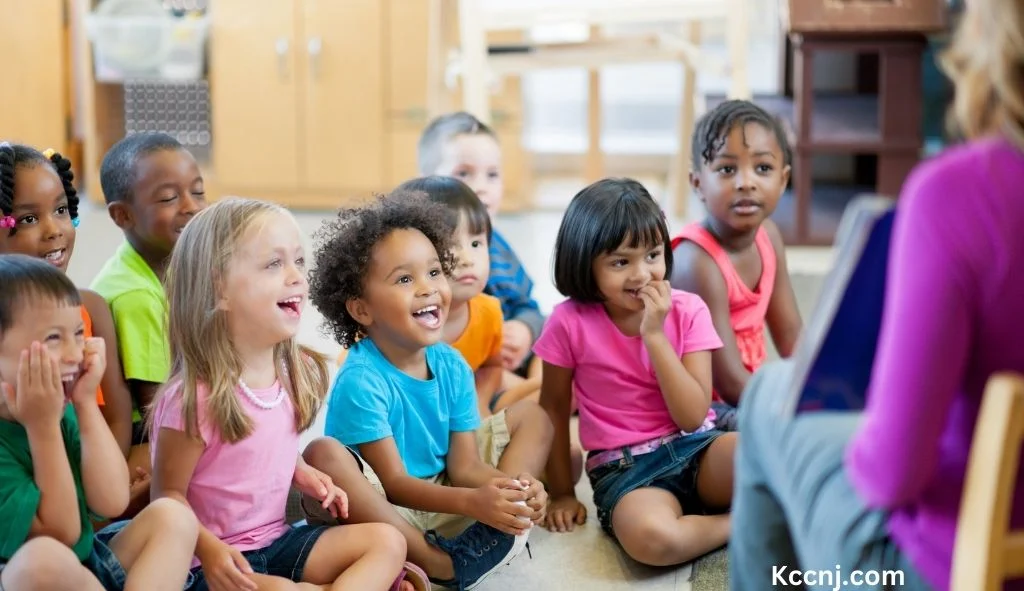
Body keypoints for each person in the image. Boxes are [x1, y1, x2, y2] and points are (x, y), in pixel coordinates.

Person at [729, 1, 1024, 589]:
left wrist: (877, 419)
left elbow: (891, 475)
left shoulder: (960, 195)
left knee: (768, 397)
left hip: (953, 565)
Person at [148, 198, 421, 590]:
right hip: (212, 564)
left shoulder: (293, 373)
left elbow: (263, 443)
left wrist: (301, 472)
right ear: (219, 287)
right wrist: (210, 553)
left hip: (277, 542)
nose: (296, 277)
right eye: (274, 264)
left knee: (388, 541)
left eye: (298, 261)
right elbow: (167, 497)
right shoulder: (193, 398)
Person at [302, 192, 553, 590]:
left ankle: (501, 521)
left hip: (444, 492)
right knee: (323, 454)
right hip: (387, 510)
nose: (428, 288)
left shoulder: (451, 364)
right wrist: (473, 502)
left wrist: (504, 491)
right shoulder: (361, 379)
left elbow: (464, 466)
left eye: (435, 272)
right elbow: (396, 485)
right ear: (362, 310)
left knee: (534, 417)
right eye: (405, 279)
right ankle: (435, 562)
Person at [535, 178, 736, 567]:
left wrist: (655, 336)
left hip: (696, 445)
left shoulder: (689, 309)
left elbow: (693, 416)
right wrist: (562, 492)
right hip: (624, 471)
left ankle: (715, 514)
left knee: (766, 458)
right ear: (584, 263)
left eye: (652, 255)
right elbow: (554, 410)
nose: (642, 274)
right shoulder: (567, 323)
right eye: (620, 262)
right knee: (653, 540)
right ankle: (739, 523)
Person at [0, 254, 198, 591]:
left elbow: (112, 501)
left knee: (173, 516)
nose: (75, 355)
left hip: (88, 566)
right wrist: (43, 429)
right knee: (39, 562)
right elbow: (60, 534)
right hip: (29, 577)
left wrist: (86, 403)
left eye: (78, 333)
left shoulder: (61, 410)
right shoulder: (41, 421)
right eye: (52, 339)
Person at [0, 142, 143, 510]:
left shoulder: (91, 307)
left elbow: (117, 419)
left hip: (93, 473)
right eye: (29, 219)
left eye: (62, 210)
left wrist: (100, 494)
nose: (55, 230)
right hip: (21, 489)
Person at [669, 100, 802, 431]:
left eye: (763, 168)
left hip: (746, 392)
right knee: (783, 432)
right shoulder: (697, 260)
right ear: (698, 183)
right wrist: (790, 405)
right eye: (728, 170)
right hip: (704, 408)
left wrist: (822, 387)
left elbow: (791, 337)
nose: (746, 182)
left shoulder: (768, 236)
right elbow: (727, 381)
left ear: (783, 179)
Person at [90, 132, 208, 489]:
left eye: (198, 191)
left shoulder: (166, 262)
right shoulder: (134, 295)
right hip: (136, 433)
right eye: (170, 198)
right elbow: (159, 407)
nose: (191, 206)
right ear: (123, 215)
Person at [395, 176, 541, 415]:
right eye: (450, 246)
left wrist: (480, 404)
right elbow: (357, 373)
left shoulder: (488, 310)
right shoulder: (395, 318)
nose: (467, 259)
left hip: (467, 405)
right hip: (411, 419)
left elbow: (491, 368)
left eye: (476, 244)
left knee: (539, 417)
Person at [418, 112, 544, 383]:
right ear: (427, 182)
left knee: (563, 338)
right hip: (467, 369)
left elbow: (529, 305)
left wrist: (524, 329)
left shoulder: (499, 245)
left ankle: (542, 390)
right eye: (463, 173)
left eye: (492, 175)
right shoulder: (422, 253)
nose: (480, 187)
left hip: (510, 357)